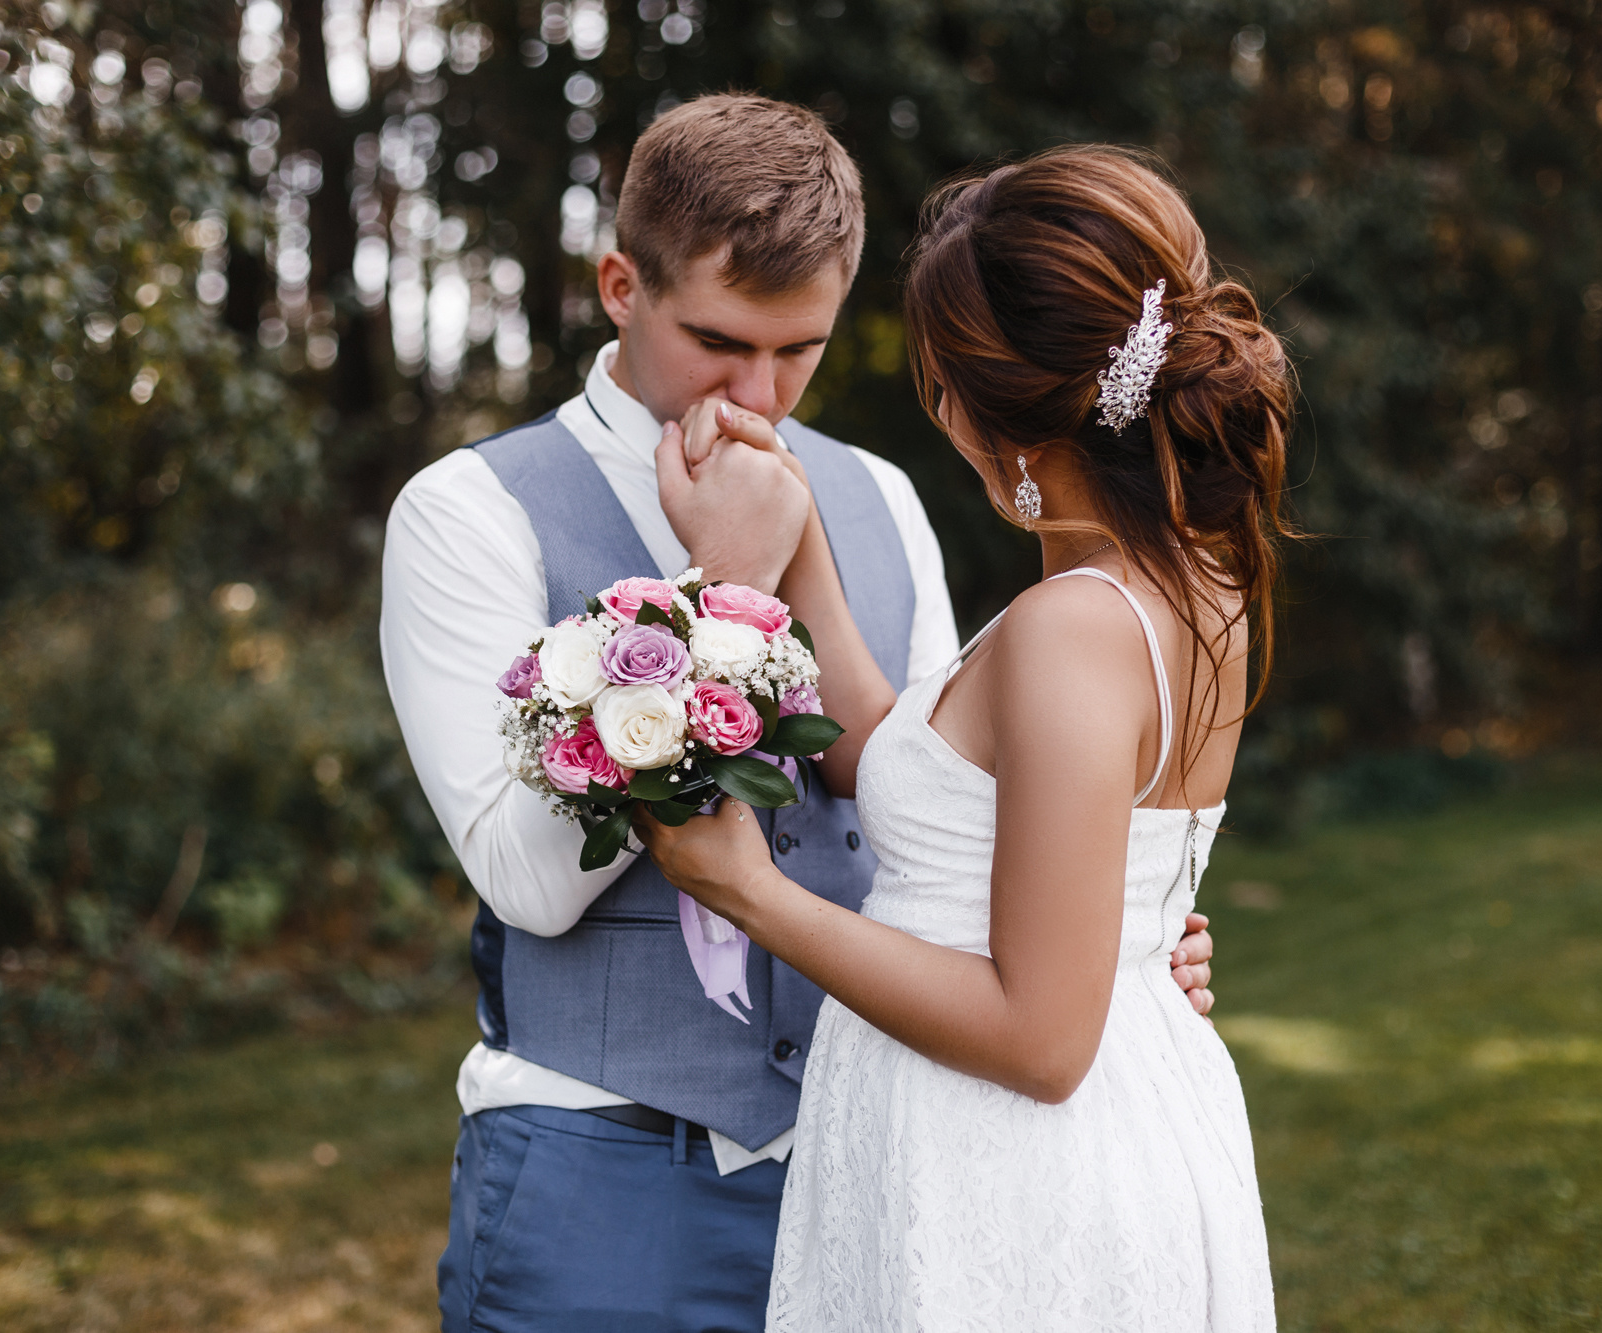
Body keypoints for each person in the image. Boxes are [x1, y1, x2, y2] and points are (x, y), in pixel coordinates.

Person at [381, 98, 1218, 1332]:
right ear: (620, 286)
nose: (757, 391)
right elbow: (529, 885)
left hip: (886, 1163)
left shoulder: (878, 495)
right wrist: (715, 592)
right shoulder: (469, 511)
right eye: (717, 340)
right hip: (602, 1174)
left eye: (799, 350)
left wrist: (1120, 939)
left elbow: (936, 819)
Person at [638, 144, 1284, 1331]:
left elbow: (1039, 1039)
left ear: (991, 415)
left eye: (938, 385)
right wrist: (797, 535)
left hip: (1015, 1160)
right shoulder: (1185, 585)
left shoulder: (1069, 627)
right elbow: (914, 772)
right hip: (1091, 1108)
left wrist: (752, 894)